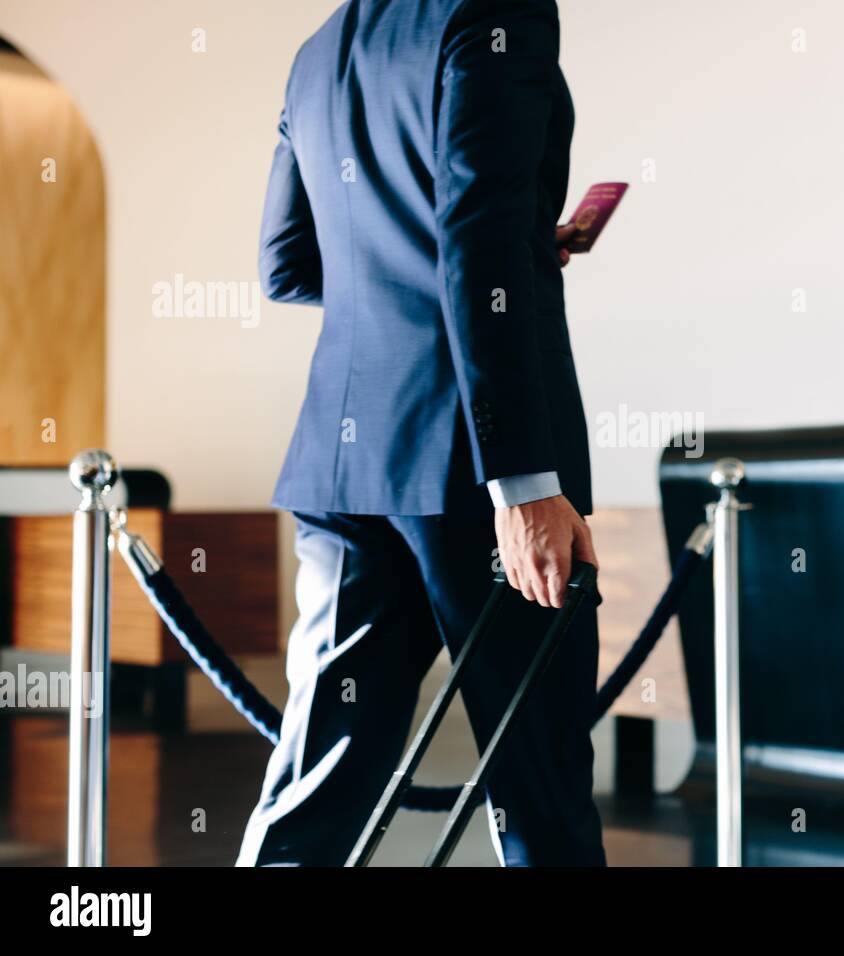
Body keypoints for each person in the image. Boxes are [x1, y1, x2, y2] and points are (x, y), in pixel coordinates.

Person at [236, 0, 605, 866]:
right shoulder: (497, 10)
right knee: (539, 789)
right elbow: (471, 238)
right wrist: (523, 484)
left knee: (313, 790)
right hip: (471, 469)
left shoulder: (318, 49)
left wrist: (475, 256)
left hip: (343, 463)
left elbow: (285, 265)